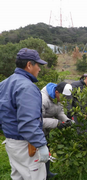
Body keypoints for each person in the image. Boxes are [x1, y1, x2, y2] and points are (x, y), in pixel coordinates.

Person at [0, 48, 49, 180]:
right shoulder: (27, 87)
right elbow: (28, 122)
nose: (39, 69)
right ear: (29, 65)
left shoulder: (4, 84)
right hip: (25, 145)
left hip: (11, 142)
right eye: (38, 65)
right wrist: (41, 144)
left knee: (18, 176)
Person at [41, 82, 73, 179]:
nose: (64, 99)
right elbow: (37, 121)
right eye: (63, 96)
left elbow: (60, 112)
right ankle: (41, 175)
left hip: (46, 130)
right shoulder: (43, 99)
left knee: (46, 151)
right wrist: (57, 123)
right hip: (37, 131)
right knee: (39, 154)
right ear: (56, 92)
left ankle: (47, 173)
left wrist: (67, 121)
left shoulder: (58, 99)